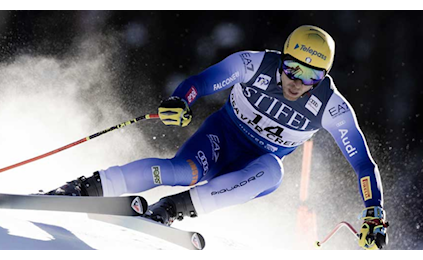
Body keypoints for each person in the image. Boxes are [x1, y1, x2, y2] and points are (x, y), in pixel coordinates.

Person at [45, 25, 388, 250]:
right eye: (292, 68)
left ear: (324, 77)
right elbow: (203, 81)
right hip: (221, 138)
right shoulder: (254, 64)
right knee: (183, 171)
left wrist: (374, 211)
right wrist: (182, 101)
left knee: (274, 171)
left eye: (310, 75)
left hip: (253, 166)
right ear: (281, 59)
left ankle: (170, 209)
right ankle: (85, 188)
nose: (297, 81)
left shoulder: (332, 106)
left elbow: (361, 162)